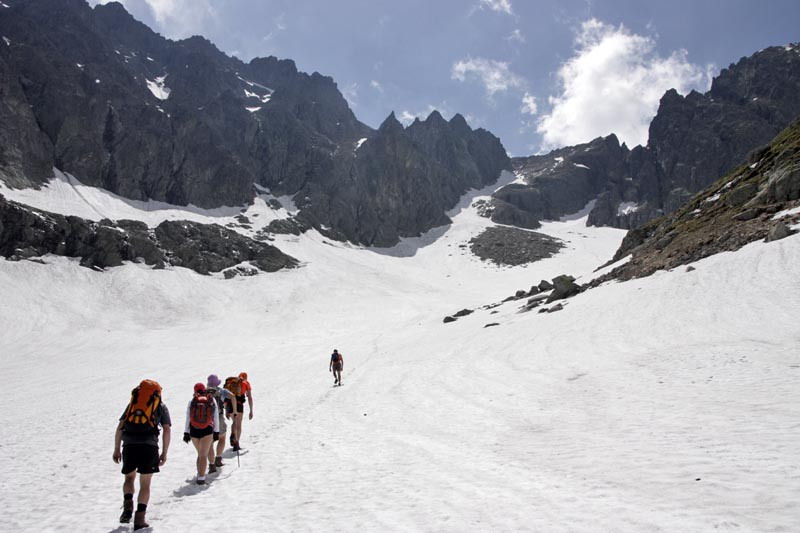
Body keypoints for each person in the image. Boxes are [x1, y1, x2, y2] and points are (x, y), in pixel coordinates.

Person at [113, 379, 171, 530]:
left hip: (129, 445)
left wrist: (116, 449)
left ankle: (127, 509)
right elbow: (167, 429)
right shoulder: (160, 406)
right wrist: (164, 452)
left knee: (129, 478)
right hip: (149, 446)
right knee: (145, 484)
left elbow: (120, 426)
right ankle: (139, 518)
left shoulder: (133, 404)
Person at [182, 382, 219, 485]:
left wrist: (186, 432)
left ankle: (199, 474)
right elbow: (215, 416)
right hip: (207, 429)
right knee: (203, 455)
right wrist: (216, 431)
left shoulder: (192, 401)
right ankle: (201, 478)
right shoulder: (211, 400)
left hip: (194, 430)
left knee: (200, 454)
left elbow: (188, 417)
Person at [204, 374, 234, 469]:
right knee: (222, 438)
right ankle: (218, 458)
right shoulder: (221, 391)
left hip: (207, 420)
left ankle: (211, 464)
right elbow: (232, 396)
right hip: (219, 418)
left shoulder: (204, 392)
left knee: (210, 442)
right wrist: (234, 410)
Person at [227, 372, 253, 451]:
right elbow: (249, 397)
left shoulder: (231, 382)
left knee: (234, 422)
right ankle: (236, 443)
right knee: (239, 424)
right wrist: (251, 410)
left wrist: (226, 410)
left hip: (230, 404)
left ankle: (233, 434)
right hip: (239, 404)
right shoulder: (246, 383)